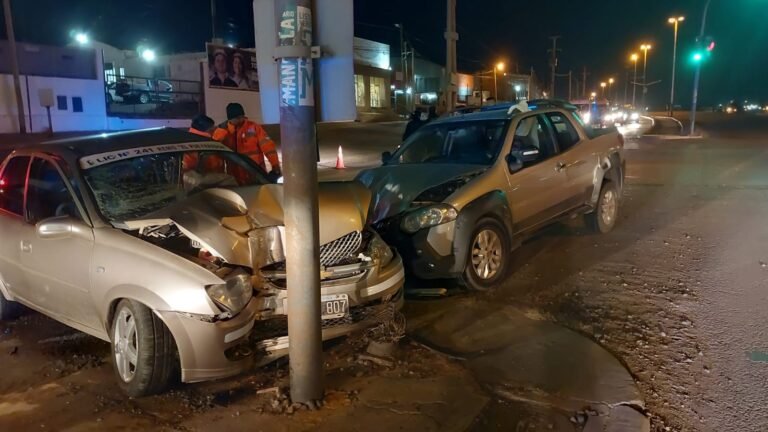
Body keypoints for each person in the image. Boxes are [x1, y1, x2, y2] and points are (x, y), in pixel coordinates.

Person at [213, 103, 281, 179]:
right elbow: (215, 148)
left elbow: (268, 147)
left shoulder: (254, 127)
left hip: (256, 172)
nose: (240, 119)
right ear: (230, 119)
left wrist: (275, 164)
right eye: (237, 118)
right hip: (234, 175)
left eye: (241, 116)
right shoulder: (222, 130)